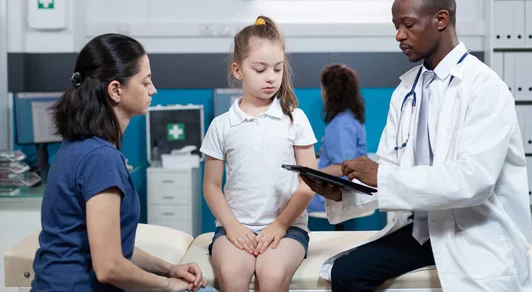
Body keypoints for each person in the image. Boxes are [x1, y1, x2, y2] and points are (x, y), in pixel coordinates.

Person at [302, 0, 532, 292]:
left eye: (408, 25)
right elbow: (388, 170)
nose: (399, 36)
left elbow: (473, 182)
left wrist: (382, 177)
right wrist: (343, 192)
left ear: (441, 20)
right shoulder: (406, 90)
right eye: (396, 26)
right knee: (346, 273)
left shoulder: (483, 87)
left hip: (475, 231)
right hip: (422, 230)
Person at [31, 34, 210, 292]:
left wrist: (169, 269)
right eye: (146, 82)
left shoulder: (79, 147)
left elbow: (111, 246)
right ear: (116, 90)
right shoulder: (101, 158)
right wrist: (168, 285)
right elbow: (110, 267)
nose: (153, 90)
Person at [201, 16, 318, 292]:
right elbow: (211, 186)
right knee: (232, 275)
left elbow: (308, 185)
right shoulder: (222, 124)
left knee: (272, 275)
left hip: (288, 228)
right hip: (234, 227)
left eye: (277, 69)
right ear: (238, 70)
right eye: (260, 69)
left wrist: (279, 226)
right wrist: (231, 226)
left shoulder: (296, 119)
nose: (271, 77)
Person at [307, 63, 367, 213]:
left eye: (322, 88)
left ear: (330, 91)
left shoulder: (341, 124)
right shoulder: (350, 119)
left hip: (336, 194)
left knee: (289, 199)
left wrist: (308, 176)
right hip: (344, 191)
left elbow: (341, 167)